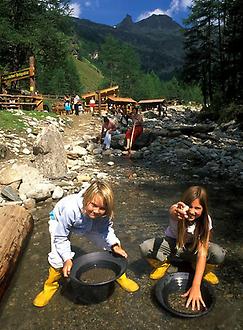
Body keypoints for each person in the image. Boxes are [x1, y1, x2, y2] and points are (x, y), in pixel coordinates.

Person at [33, 180, 139, 307]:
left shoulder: (105, 213)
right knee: (57, 258)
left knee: (113, 246)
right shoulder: (71, 209)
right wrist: (67, 258)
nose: (96, 211)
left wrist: (114, 245)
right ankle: (50, 286)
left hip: (88, 224)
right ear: (86, 198)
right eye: (93, 205)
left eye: (102, 208)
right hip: (59, 220)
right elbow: (61, 237)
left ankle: (120, 275)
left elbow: (106, 231)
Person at [140, 186, 226, 311]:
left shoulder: (206, 220)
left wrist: (196, 286)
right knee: (145, 248)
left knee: (218, 254)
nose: (192, 211)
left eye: (197, 208)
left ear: (204, 209)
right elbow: (173, 211)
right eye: (189, 206)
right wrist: (178, 212)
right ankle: (163, 264)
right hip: (174, 246)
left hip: (193, 250)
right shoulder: (178, 211)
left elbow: (202, 253)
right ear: (183, 205)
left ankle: (200, 269)